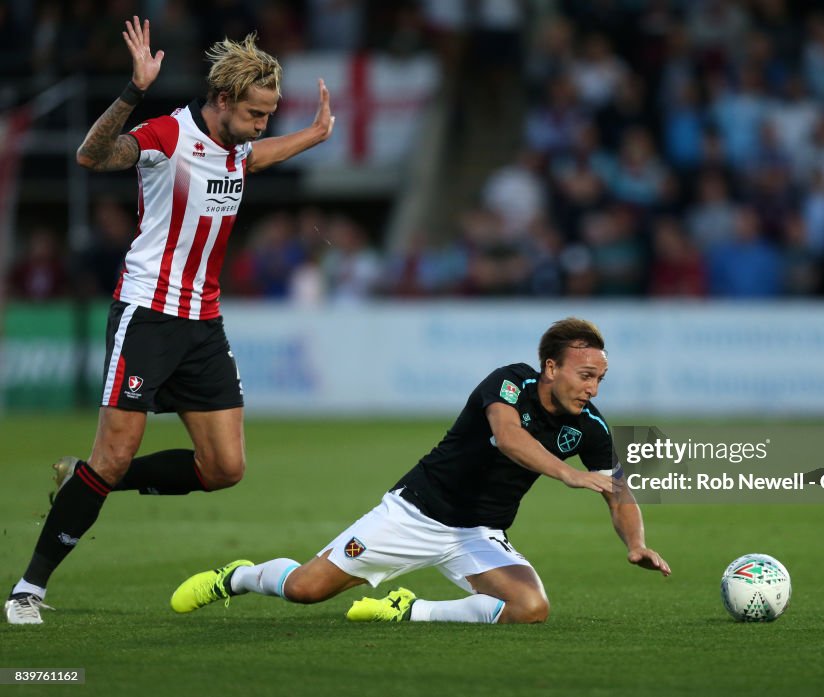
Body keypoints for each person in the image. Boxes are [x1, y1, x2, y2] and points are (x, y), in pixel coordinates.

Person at [4, 16, 335, 625]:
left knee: (224, 469)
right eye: (257, 113)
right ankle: (28, 588)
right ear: (224, 99)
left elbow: (255, 158)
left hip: (203, 326)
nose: (263, 125)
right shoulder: (166, 135)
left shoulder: (236, 149)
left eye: (269, 115)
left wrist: (313, 135)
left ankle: (84, 479)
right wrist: (133, 90)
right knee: (113, 457)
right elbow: (92, 154)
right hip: (147, 316)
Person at [170, 318, 670, 624]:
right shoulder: (509, 383)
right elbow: (508, 438)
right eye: (586, 376)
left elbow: (618, 490)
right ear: (551, 368)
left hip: (478, 533)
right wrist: (568, 475)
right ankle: (239, 577)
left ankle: (409, 609)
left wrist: (634, 543)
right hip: (415, 514)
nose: (593, 389)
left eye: (600, 379)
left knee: (530, 609)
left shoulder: (592, 427)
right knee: (305, 590)